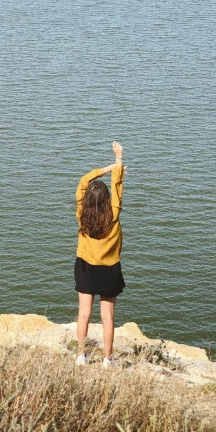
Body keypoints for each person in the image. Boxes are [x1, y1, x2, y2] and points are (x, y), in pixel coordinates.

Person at [74, 141, 126, 367]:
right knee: (108, 317)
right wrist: (118, 160)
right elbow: (117, 186)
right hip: (109, 269)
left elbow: (84, 180)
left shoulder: (81, 214)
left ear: (86, 201)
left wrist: (106, 168)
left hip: (85, 266)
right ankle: (107, 360)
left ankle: (81, 356)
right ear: (107, 200)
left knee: (83, 314)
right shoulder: (113, 214)